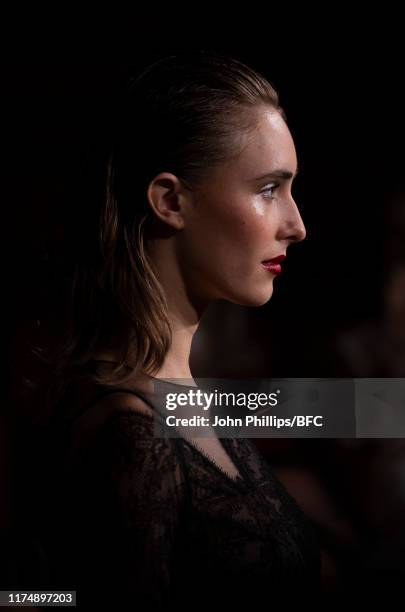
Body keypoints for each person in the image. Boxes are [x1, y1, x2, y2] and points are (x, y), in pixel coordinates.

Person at [24, 50, 320, 609]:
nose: (297, 225)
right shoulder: (129, 434)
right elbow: (48, 596)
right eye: (268, 189)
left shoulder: (183, 402)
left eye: (290, 188)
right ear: (169, 201)